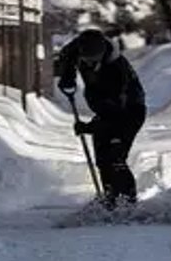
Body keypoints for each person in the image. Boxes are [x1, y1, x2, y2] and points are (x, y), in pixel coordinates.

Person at [57, 29, 146, 208]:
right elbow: (67, 55)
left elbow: (116, 115)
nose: (89, 63)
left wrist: (90, 128)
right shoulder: (78, 49)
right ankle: (110, 198)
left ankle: (127, 203)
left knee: (115, 157)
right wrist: (67, 76)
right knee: (102, 159)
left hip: (129, 112)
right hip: (105, 111)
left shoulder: (117, 70)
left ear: (103, 53)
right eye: (86, 59)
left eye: (93, 60)